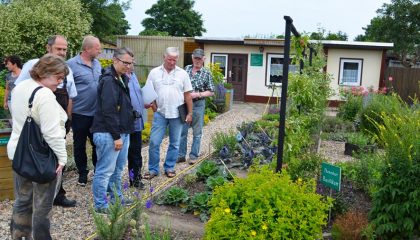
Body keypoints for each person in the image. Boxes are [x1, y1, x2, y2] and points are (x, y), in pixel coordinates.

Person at [8, 54, 69, 240]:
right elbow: (52, 133)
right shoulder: (44, 95)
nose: (59, 83)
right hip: (42, 158)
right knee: (42, 207)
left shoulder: (20, 88)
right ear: (44, 73)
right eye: (58, 77)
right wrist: (63, 158)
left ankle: (18, 235)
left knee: (22, 200)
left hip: (18, 153)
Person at [14, 35, 77, 207]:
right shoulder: (35, 73)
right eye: (59, 49)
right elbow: (19, 93)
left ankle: (57, 194)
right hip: (36, 134)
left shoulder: (66, 69)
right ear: (48, 48)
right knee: (40, 201)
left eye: (65, 49)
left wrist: (67, 119)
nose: (63, 52)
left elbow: (71, 95)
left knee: (24, 199)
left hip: (55, 121)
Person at [90, 48, 135, 213]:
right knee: (104, 171)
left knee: (117, 169)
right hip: (109, 133)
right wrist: (116, 137)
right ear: (115, 60)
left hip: (122, 131)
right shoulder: (109, 80)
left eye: (131, 63)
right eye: (125, 63)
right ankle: (101, 205)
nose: (128, 66)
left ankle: (116, 197)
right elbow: (108, 111)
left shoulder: (121, 78)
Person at [144, 47, 193, 180]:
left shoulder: (183, 74)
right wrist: (153, 105)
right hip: (160, 114)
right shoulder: (154, 73)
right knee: (154, 142)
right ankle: (153, 169)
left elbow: (188, 95)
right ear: (164, 57)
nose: (172, 62)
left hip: (177, 114)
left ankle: (169, 167)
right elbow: (149, 91)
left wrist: (190, 113)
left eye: (175, 60)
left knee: (175, 143)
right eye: (170, 59)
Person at [67, 35, 102, 186]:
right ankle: (82, 173)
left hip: (96, 113)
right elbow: (67, 90)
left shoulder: (98, 64)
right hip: (79, 113)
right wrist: (68, 115)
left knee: (98, 143)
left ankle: (98, 170)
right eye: (97, 48)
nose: (99, 51)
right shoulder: (70, 65)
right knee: (79, 144)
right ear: (87, 49)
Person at [178, 49, 214, 165]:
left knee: (197, 132)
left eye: (199, 58)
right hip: (184, 104)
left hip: (198, 104)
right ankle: (181, 155)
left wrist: (197, 94)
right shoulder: (186, 69)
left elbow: (211, 91)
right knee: (182, 131)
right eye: (195, 58)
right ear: (192, 58)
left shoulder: (206, 73)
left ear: (204, 59)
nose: (197, 61)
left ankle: (193, 156)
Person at [126, 59, 151, 189]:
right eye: (129, 63)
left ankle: (135, 179)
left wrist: (144, 102)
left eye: (133, 62)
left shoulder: (133, 76)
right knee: (122, 155)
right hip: (124, 123)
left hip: (137, 121)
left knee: (136, 152)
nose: (132, 65)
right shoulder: (118, 78)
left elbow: (137, 94)